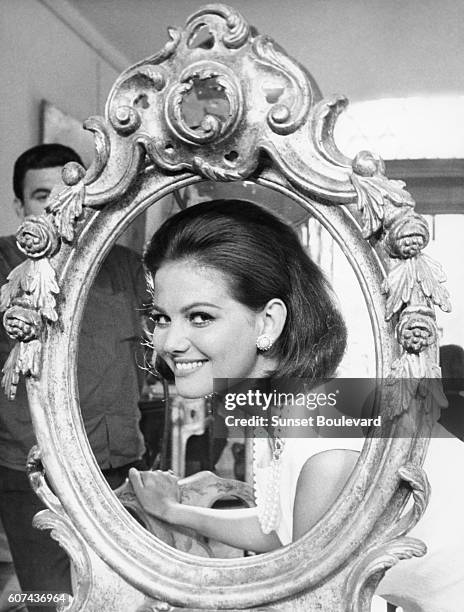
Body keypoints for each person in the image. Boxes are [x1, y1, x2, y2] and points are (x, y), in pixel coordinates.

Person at [129, 199, 464, 612]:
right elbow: (288, 529)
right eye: (162, 317)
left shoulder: (325, 432)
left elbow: (316, 599)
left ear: (268, 322)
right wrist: (176, 511)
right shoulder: (295, 396)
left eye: (199, 317)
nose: (169, 342)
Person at [0, 144, 147, 610]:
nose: (56, 205)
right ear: (20, 206)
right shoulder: (4, 266)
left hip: (116, 467)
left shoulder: (123, 264)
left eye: (68, 191)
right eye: (41, 195)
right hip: (32, 475)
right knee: (51, 599)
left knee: (122, 597)